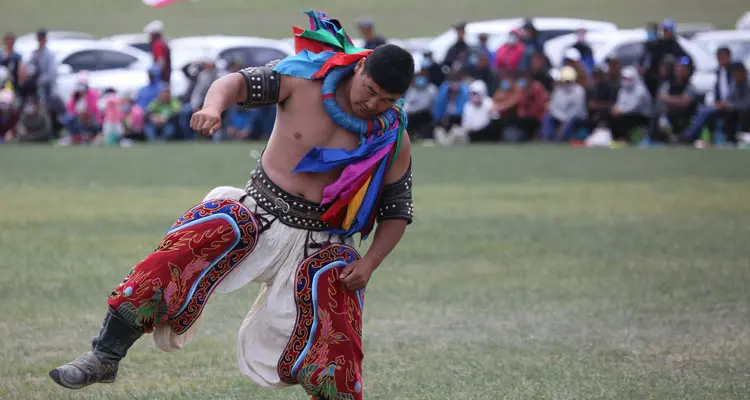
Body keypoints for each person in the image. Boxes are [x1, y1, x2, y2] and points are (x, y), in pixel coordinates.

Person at [49, 11, 414, 400]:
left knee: (338, 338)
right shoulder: (303, 78)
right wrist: (212, 107)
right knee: (184, 248)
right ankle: (103, 356)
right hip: (258, 209)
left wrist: (369, 262)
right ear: (359, 68)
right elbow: (235, 83)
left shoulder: (392, 137)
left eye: (387, 99)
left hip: (325, 239)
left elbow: (397, 209)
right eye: (370, 89)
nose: (374, 103)